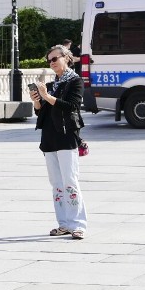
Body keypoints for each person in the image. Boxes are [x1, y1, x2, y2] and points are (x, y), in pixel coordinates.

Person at [31, 44, 87, 240]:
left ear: (66, 58)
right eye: (49, 60)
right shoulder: (52, 83)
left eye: (55, 58)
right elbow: (42, 112)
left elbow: (71, 106)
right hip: (49, 136)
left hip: (66, 134)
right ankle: (63, 224)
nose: (52, 63)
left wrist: (47, 96)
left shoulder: (75, 81)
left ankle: (78, 224)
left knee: (70, 181)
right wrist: (37, 101)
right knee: (56, 184)